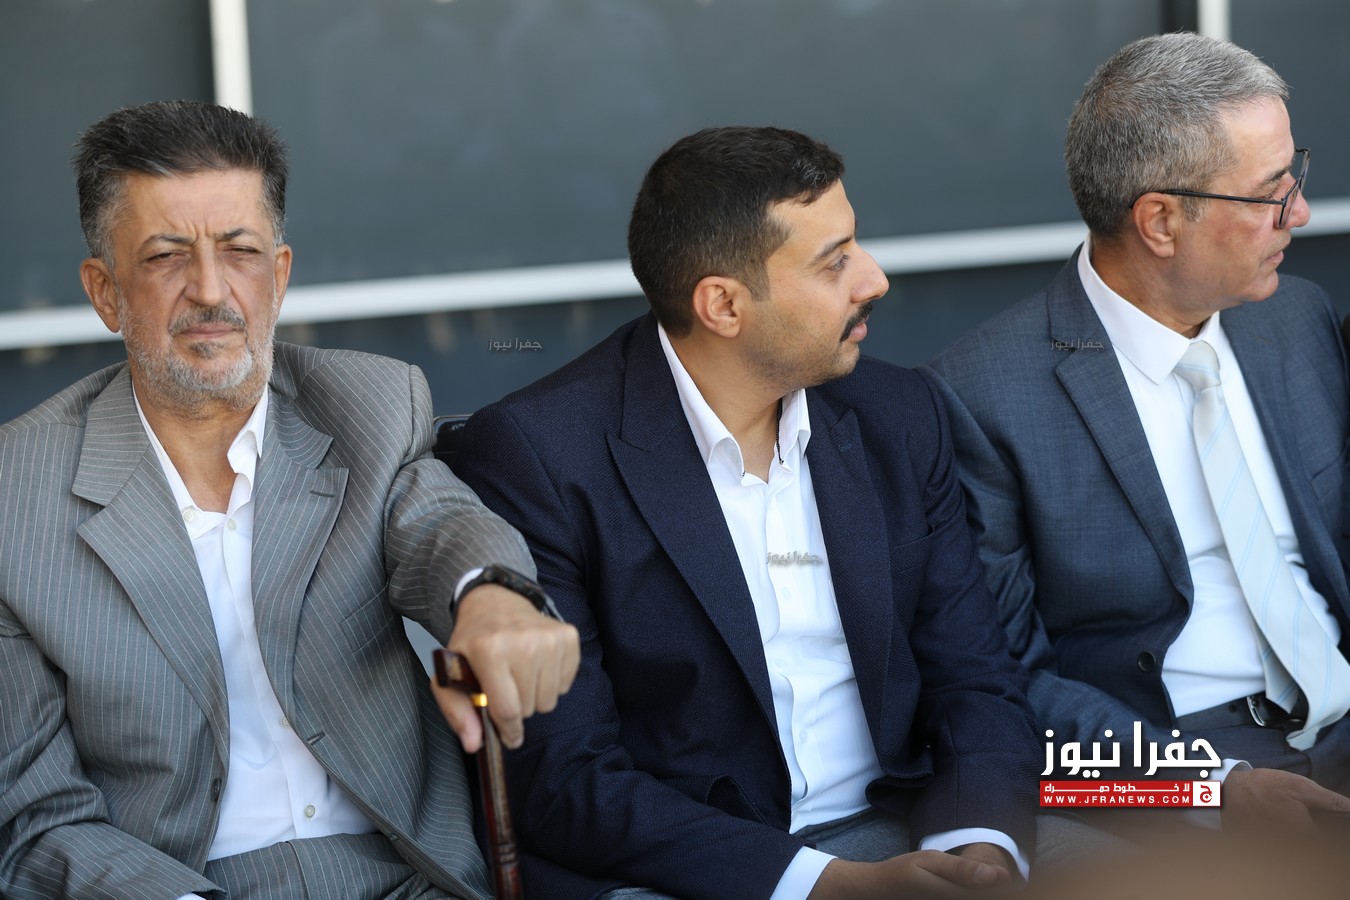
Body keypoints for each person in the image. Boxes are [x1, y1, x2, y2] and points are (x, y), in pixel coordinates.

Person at [0, 100, 579, 899]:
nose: (211, 290)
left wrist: (491, 597)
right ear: (105, 292)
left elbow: (441, 524)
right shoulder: (15, 495)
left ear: (278, 275)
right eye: (166, 256)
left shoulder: (368, 406)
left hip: (407, 876)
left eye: (239, 251)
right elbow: (36, 820)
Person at [452, 126, 1042, 899]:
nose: (874, 278)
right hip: (691, 866)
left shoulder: (899, 414)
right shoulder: (539, 456)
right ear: (723, 304)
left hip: (911, 821)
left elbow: (975, 680)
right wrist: (829, 886)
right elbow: (566, 779)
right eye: (834, 262)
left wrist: (977, 851)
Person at [924, 32, 1350, 825]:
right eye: (1270, 193)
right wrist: (1206, 788)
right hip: (1188, 755)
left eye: (1296, 174)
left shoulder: (1297, 319)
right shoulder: (982, 395)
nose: (1299, 212)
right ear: (1160, 221)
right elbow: (1001, 679)